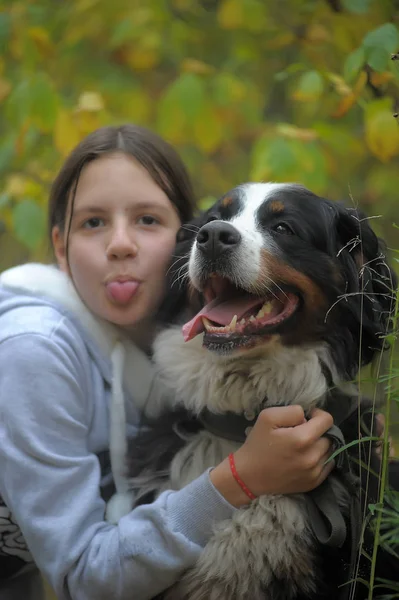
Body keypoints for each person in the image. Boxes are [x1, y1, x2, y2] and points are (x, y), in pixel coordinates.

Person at [0, 124, 335, 600]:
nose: (120, 244)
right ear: (59, 246)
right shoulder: (32, 349)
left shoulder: (159, 350)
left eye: (148, 221)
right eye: (92, 222)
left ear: (185, 240)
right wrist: (240, 478)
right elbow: (80, 577)